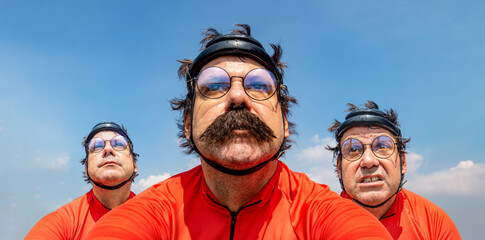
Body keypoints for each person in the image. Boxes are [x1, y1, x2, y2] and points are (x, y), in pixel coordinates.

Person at [86, 24, 391, 239]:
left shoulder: (323, 212)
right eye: (214, 85)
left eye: (259, 85)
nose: (237, 96)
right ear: (188, 122)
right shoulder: (152, 211)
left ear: (285, 122)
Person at [327, 101, 461, 239]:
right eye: (353, 149)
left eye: (382, 146)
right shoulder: (319, 224)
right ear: (339, 167)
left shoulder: (434, 222)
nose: (368, 161)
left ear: (403, 162)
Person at [26, 122, 138, 240]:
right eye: (96, 146)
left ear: (135, 164)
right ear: (86, 169)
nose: (108, 149)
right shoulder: (63, 221)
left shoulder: (156, 215)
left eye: (120, 143)